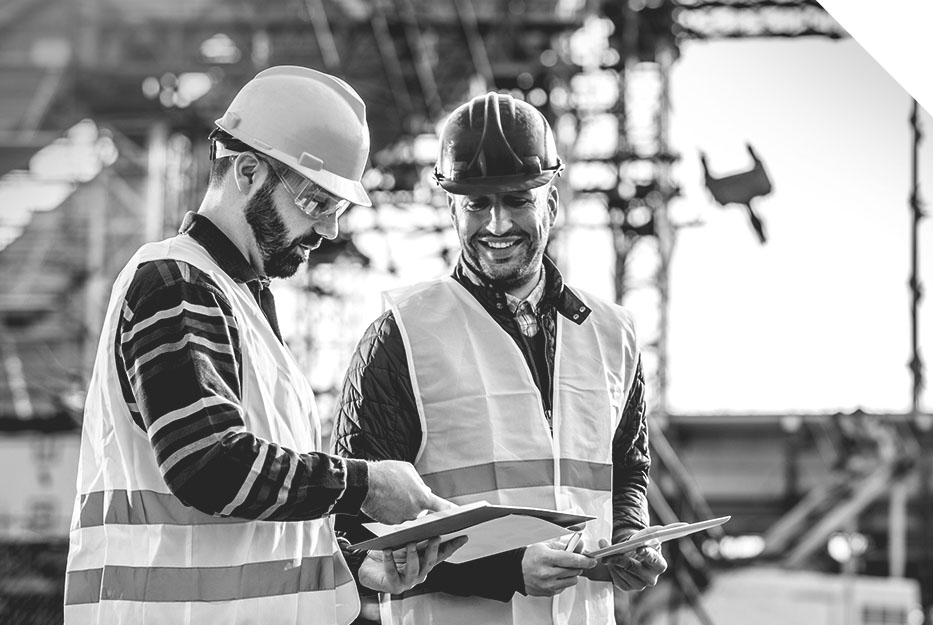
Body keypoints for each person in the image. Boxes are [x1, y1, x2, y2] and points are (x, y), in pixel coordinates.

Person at [64, 66, 465, 625]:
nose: (327, 231)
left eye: (337, 210)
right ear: (248, 171)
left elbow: (252, 525)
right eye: (316, 203)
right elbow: (206, 466)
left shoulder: (238, 303)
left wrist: (351, 565)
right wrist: (365, 484)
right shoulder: (176, 285)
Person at [335, 92, 667, 625]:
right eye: (475, 204)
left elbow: (628, 468)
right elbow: (353, 531)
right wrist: (505, 569)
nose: (496, 225)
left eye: (516, 200)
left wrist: (629, 534)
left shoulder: (613, 333)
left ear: (551, 204)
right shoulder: (402, 336)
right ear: (452, 209)